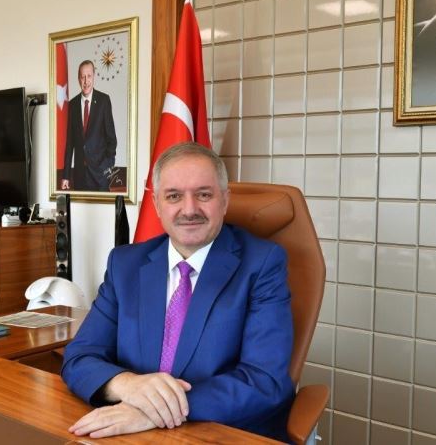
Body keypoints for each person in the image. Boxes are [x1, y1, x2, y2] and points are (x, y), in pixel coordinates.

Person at [61, 142, 295, 441]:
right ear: (157, 204)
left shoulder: (262, 264)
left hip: (220, 432)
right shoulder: (125, 264)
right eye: (174, 196)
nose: (189, 209)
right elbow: (80, 357)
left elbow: (264, 380)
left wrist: (155, 410)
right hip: (130, 433)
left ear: (225, 200)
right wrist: (128, 385)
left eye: (204, 195)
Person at [61, 60, 117, 191]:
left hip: (100, 176)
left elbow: (112, 139)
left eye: (89, 76)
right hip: (80, 175)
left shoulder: (104, 101)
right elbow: (69, 144)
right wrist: (66, 176)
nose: (86, 81)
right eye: (83, 77)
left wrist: (107, 168)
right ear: (78, 79)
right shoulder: (72, 105)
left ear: (94, 77)